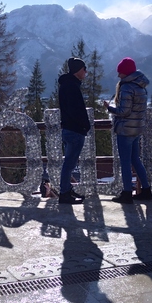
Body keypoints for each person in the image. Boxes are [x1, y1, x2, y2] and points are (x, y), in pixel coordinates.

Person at [104, 57, 152, 204]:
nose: (118, 75)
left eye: (120, 72)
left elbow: (123, 111)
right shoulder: (141, 87)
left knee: (125, 162)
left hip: (125, 130)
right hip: (136, 129)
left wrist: (109, 108)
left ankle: (126, 193)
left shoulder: (126, 88)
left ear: (126, 72)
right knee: (135, 160)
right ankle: (146, 190)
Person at [58, 57, 90, 204]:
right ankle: (64, 193)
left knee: (69, 163)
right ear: (78, 70)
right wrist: (84, 125)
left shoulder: (67, 84)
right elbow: (75, 110)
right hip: (75, 130)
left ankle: (67, 189)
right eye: (84, 69)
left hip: (69, 128)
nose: (86, 72)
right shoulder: (71, 86)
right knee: (69, 164)